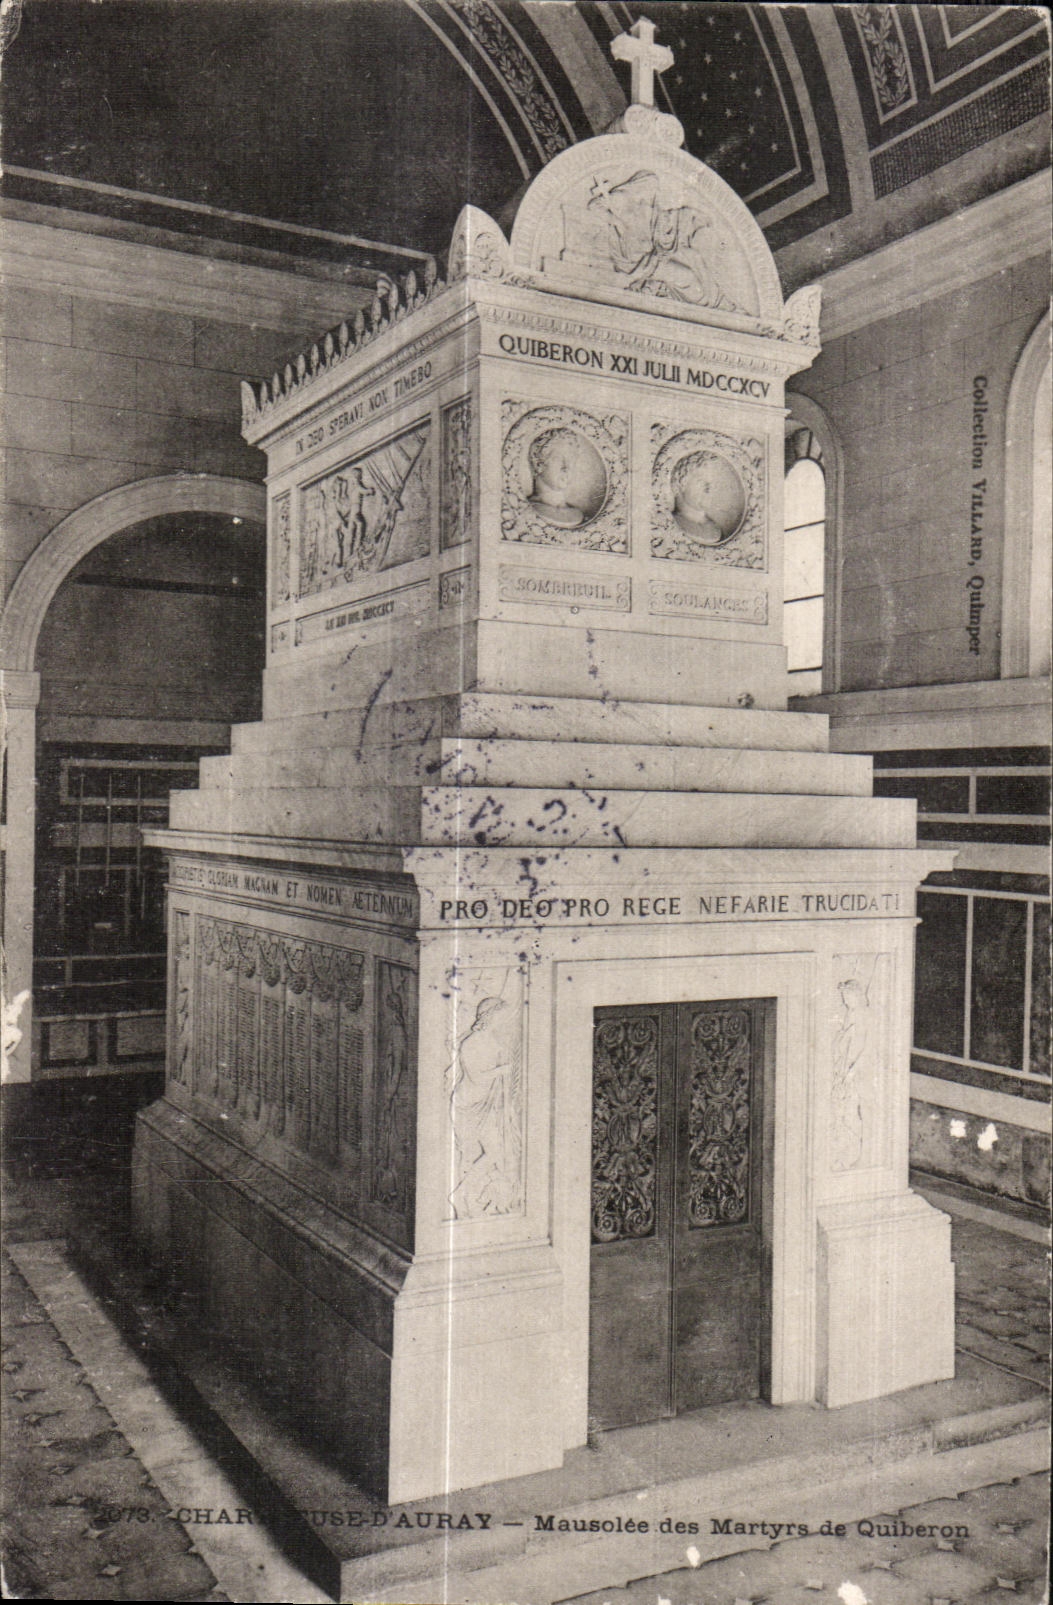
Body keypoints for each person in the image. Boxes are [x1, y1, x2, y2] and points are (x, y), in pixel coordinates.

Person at [671, 450, 742, 545]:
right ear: (681, 484)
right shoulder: (671, 524)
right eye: (701, 481)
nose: (709, 488)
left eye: (712, 483)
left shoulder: (715, 530)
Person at [527, 427, 588, 526]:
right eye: (558, 458)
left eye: (571, 459)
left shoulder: (579, 516)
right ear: (538, 464)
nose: (566, 467)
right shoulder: (525, 509)